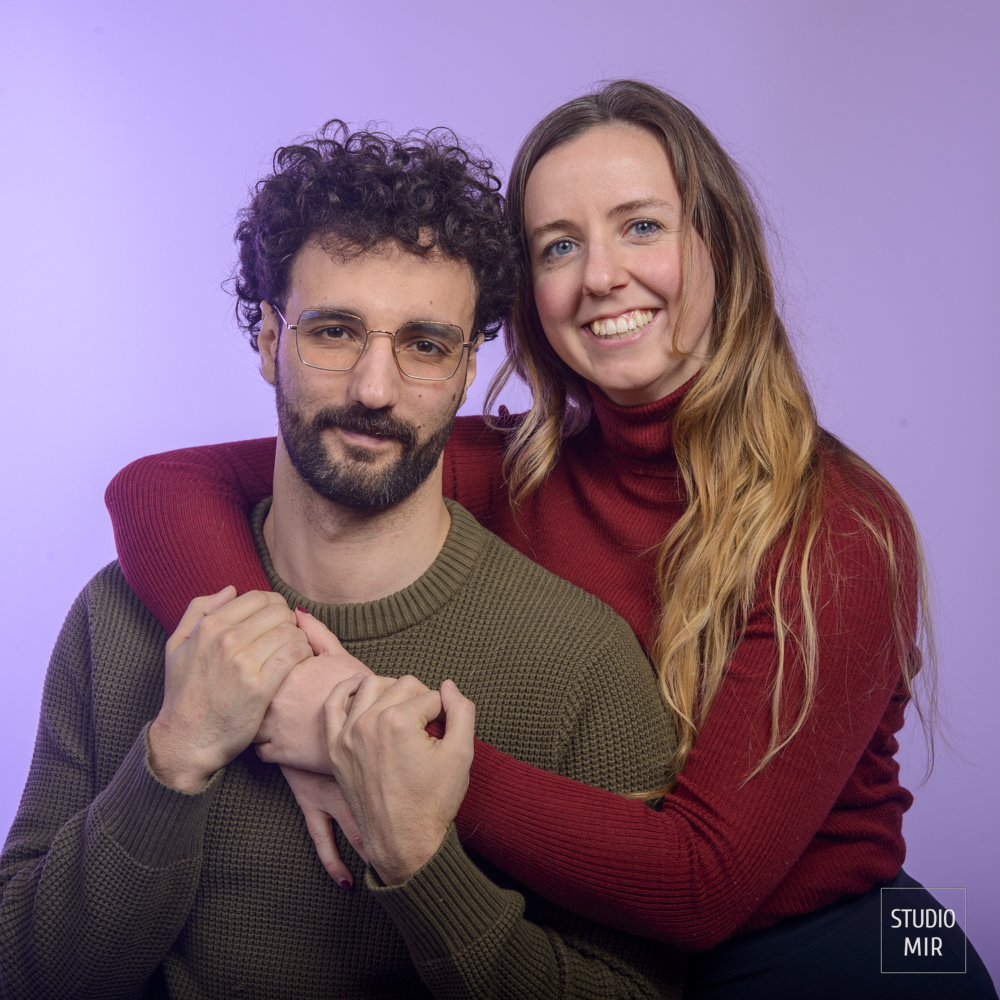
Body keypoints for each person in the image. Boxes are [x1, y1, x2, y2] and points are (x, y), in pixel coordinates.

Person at [99, 82, 996, 997]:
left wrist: (364, 747)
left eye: (640, 226)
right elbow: (158, 489)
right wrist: (291, 686)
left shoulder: (837, 529)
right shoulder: (520, 464)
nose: (600, 275)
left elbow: (701, 886)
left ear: (719, 247)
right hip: (605, 946)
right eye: (559, 246)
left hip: (830, 953)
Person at [0, 124, 687, 999]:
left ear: (468, 368)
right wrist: (170, 763)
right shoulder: (122, 616)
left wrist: (421, 862)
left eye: (425, 345)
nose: (374, 388)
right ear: (267, 340)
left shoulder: (580, 662)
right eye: (333, 332)